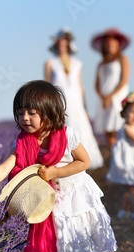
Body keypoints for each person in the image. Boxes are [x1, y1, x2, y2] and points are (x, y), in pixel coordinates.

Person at [0, 80, 124, 252]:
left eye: (31, 112)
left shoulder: (66, 135)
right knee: (54, 238)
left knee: (96, 230)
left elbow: (83, 162)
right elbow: (3, 168)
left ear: (49, 112)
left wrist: (55, 172)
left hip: (76, 193)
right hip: (48, 198)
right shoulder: (23, 141)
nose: (25, 118)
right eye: (20, 113)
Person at [45, 27, 104, 170]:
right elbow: (46, 85)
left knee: (80, 131)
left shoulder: (77, 63)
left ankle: (81, 162)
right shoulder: (50, 63)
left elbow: (80, 85)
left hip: (76, 102)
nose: (62, 45)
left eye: (65, 42)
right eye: (60, 42)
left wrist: (85, 106)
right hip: (59, 104)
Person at [91, 28, 131, 148]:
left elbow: (124, 80)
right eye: (107, 42)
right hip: (104, 99)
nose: (110, 44)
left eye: (113, 41)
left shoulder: (122, 59)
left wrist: (110, 96)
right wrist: (103, 97)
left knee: (117, 128)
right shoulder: (101, 64)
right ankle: (112, 156)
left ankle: (118, 156)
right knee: (107, 131)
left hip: (117, 97)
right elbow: (96, 84)